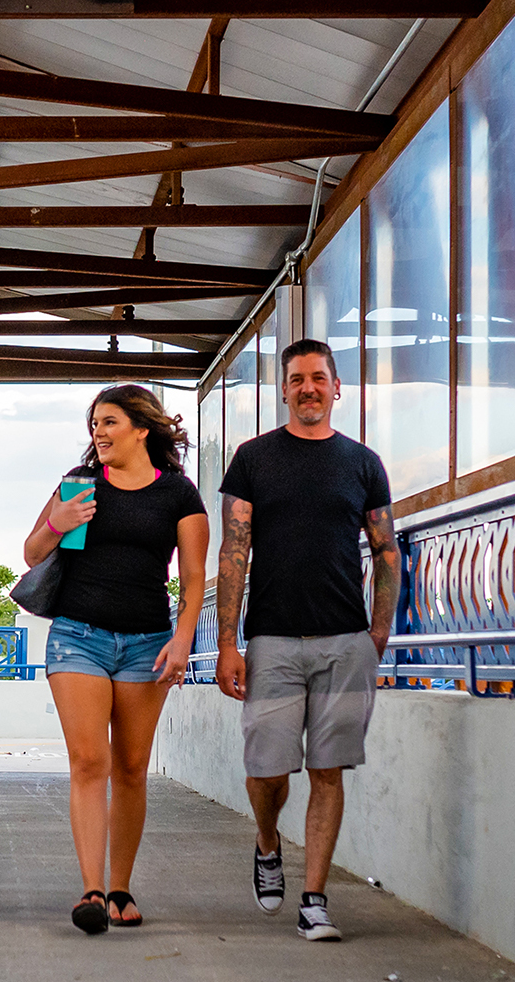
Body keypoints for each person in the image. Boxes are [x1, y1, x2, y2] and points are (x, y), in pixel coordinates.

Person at [215, 339, 394, 943]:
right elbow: (233, 552)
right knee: (266, 769)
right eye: (297, 379)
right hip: (272, 641)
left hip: (346, 642)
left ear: (337, 388)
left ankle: (314, 899)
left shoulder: (363, 464)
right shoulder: (254, 459)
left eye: (319, 378)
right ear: (284, 389)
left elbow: (386, 549)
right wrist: (227, 642)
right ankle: (267, 842)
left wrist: (379, 632)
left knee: (328, 769)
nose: (309, 388)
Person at [23, 385, 209, 934]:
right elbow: (33, 553)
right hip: (77, 637)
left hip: (148, 642)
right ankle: (92, 890)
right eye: (94, 425)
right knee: (89, 762)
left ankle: (122, 886)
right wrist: (60, 519)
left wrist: (184, 638)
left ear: (141, 428)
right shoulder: (80, 484)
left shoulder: (178, 494)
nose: (98, 433)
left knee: (130, 767)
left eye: (108, 422)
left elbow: (195, 576)